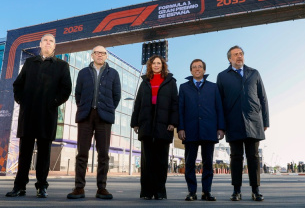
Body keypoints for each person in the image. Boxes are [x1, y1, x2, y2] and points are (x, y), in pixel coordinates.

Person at [6, 33, 72, 198]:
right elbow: (18, 84)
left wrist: (53, 102)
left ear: (54, 46)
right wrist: (22, 100)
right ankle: (19, 186)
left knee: (44, 153)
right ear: (40, 44)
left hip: (47, 115)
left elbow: (66, 89)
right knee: (25, 153)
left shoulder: (62, 65)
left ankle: (41, 186)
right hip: (28, 114)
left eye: (51, 41)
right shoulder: (29, 63)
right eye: (45, 41)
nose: (48, 43)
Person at [67, 45, 121, 200]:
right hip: (86, 116)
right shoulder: (83, 72)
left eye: (103, 53)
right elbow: (78, 93)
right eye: (97, 52)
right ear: (92, 55)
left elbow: (116, 96)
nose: (100, 55)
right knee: (82, 153)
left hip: (104, 117)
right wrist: (85, 107)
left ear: (106, 56)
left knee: (103, 154)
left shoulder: (113, 73)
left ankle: (102, 188)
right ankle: (79, 188)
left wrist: (107, 108)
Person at [216, 45, 269, 202]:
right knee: (236, 157)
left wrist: (265, 121)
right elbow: (219, 103)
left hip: (254, 121)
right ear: (229, 59)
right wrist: (221, 125)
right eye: (235, 54)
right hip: (233, 122)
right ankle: (236, 190)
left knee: (253, 157)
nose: (239, 56)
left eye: (241, 54)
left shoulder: (254, 73)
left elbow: (263, 98)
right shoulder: (222, 76)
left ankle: (256, 190)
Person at [130, 55, 178, 200]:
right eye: (153, 63)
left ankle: (159, 192)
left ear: (163, 65)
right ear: (150, 66)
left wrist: (173, 122)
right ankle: (146, 192)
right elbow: (138, 103)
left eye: (159, 63)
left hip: (164, 125)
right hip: (146, 124)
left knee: (161, 162)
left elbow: (175, 104)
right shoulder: (144, 82)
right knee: (147, 162)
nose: (156, 65)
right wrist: (135, 123)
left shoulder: (170, 82)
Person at [178, 59, 225, 201]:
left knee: (208, 163)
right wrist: (180, 128)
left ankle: (206, 192)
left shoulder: (213, 87)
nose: (197, 69)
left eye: (200, 67)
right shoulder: (184, 87)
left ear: (204, 70)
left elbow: (219, 108)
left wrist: (221, 128)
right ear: (190, 70)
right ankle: (192, 192)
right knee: (190, 163)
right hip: (190, 130)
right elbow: (180, 110)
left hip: (209, 129)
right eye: (194, 67)